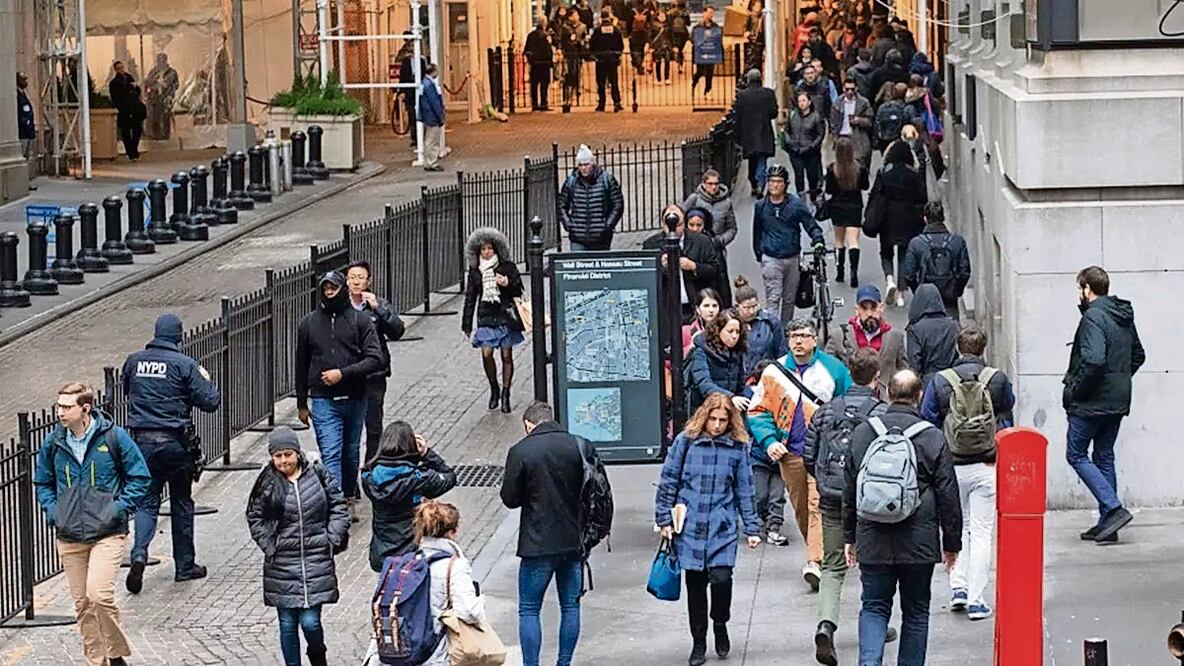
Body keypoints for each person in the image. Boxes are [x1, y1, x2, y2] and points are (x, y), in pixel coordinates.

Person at [843, 369, 962, 666]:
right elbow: (948, 495)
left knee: (874, 606)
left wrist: (850, 537)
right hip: (919, 540)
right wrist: (951, 544)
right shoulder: (932, 436)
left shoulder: (864, 433)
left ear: (887, 393)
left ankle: (869, 663)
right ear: (919, 396)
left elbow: (850, 489)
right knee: (916, 612)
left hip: (872, 534)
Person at [34, 383, 151, 666]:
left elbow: (140, 477)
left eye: (67, 407)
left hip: (107, 532)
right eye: (59, 406)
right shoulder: (53, 442)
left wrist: (118, 508)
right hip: (70, 534)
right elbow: (43, 482)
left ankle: (116, 654)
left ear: (85, 408)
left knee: (98, 595)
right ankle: (96, 661)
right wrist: (54, 511)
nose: (60, 412)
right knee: (83, 606)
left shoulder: (114, 437)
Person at [747, 318, 853, 590]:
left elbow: (849, 404)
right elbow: (758, 410)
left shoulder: (834, 369)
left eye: (804, 336)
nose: (798, 341)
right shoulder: (774, 372)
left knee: (818, 506)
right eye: (793, 335)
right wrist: (769, 441)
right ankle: (821, 552)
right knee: (801, 507)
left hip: (823, 453)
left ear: (815, 340)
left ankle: (815, 562)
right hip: (790, 453)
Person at [656, 394, 761, 666]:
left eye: (722, 420)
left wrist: (752, 527)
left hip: (721, 526)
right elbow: (669, 480)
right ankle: (699, 641)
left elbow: (745, 488)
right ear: (704, 417)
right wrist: (664, 519)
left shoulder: (737, 447)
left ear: (730, 421)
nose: (716, 425)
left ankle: (720, 622)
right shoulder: (686, 442)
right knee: (695, 586)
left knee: (722, 579)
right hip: (690, 526)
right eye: (713, 419)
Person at [122, 313, 221, 594]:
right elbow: (210, 401)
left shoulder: (134, 361)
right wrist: (206, 381)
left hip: (141, 443)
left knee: (146, 502)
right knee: (181, 501)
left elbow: (128, 392)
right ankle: (185, 566)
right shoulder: (184, 364)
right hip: (176, 443)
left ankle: (139, 554)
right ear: (179, 336)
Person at [920, 325, 1014, 620]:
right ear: (983, 348)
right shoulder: (997, 379)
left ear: (957, 348)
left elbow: (928, 419)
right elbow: (1007, 412)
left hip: (951, 467)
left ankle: (958, 587)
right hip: (986, 465)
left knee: (955, 526)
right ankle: (976, 599)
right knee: (982, 532)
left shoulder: (941, 380)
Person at [804, 348, 888, 665]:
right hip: (868, 500)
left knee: (832, 565)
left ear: (849, 374)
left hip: (832, 497)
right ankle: (876, 621)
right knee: (873, 564)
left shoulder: (827, 411)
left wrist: (824, 482)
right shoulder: (880, 413)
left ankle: (826, 624)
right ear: (876, 376)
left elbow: (809, 455)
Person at [246, 427, 350, 666]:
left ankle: (318, 657)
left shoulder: (317, 473)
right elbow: (255, 516)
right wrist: (270, 546)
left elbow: (338, 504)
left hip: (316, 560)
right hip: (282, 565)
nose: (284, 461)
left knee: (311, 622)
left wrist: (332, 537)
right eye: (278, 456)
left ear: (297, 453)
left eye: (288, 454)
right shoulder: (267, 482)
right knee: (287, 624)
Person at [1063, 266, 1145, 543]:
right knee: (1104, 455)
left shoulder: (1093, 317)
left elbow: (1094, 360)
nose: (1078, 294)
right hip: (1117, 400)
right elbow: (1138, 355)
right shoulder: (1122, 314)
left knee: (1075, 454)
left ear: (1087, 289)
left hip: (1090, 402)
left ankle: (1113, 508)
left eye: (1079, 288)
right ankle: (1108, 524)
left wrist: (1075, 390)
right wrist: (1118, 381)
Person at [500, 401, 585, 666]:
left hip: (536, 542)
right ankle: (564, 662)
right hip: (573, 540)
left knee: (529, 609)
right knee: (570, 606)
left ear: (528, 425)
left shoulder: (521, 451)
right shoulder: (579, 445)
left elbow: (510, 498)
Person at [295, 270, 385, 509]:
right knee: (330, 451)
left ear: (341, 288)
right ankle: (336, 504)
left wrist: (343, 373)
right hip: (323, 399)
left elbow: (375, 358)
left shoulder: (360, 321)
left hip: (355, 396)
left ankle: (347, 494)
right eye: (325, 288)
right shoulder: (309, 324)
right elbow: (301, 364)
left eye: (333, 288)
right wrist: (302, 403)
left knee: (350, 452)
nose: (329, 292)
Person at [361, 421, 457, 571]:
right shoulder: (419, 478)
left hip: (382, 555)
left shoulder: (369, 477)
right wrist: (426, 453)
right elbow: (449, 477)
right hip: (411, 554)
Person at [345, 261, 407, 464]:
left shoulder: (378, 304)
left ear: (369, 281)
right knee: (350, 429)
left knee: (374, 427)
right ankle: (349, 473)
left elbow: (397, 331)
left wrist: (379, 310)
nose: (356, 282)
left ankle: (370, 469)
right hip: (349, 375)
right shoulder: (341, 307)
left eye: (360, 278)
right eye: (352, 278)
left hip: (374, 375)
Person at [412, 501, 489, 665]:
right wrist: (481, 600)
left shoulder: (408, 563)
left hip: (405, 650)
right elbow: (469, 612)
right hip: (435, 654)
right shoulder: (455, 567)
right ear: (451, 533)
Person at [751, 163, 826, 325]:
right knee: (773, 297)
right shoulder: (761, 206)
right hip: (771, 257)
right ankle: (772, 332)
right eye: (772, 181)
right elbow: (757, 231)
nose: (775, 185)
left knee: (789, 299)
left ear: (785, 184)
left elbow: (810, 224)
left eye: (779, 181)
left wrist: (818, 239)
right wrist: (760, 254)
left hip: (792, 258)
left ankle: (785, 331)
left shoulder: (795, 205)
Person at [461, 227, 525, 413]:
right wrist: (466, 324)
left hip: (505, 315)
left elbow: (519, 289)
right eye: (483, 249)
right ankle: (494, 387)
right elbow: (470, 297)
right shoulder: (475, 272)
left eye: (490, 248)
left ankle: (506, 393)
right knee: (486, 354)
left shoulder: (507, 267)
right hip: (486, 316)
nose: (487, 252)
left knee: (506, 355)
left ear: (496, 249)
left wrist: (507, 283)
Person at [865, 140, 926, 308]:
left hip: (887, 217)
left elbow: (875, 194)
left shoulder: (884, 172)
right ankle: (901, 293)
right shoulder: (913, 174)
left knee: (886, 252)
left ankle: (889, 279)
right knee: (904, 254)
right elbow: (922, 196)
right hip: (908, 218)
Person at [827, 285, 908, 396]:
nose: (869, 314)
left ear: (881, 308)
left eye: (873, 308)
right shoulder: (839, 336)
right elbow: (827, 369)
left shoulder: (895, 337)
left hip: (884, 400)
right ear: (857, 310)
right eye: (864, 308)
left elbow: (903, 371)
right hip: (849, 399)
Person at [902, 202, 971, 319]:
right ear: (943, 218)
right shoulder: (957, 242)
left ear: (925, 219)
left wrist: (919, 292)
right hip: (950, 300)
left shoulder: (916, 243)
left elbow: (909, 275)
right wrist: (956, 291)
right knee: (951, 328)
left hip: (925, 302)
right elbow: (965, 272)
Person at [682, 169, 737, 304]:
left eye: (716, 184)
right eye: (710, 184)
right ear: (703, 184)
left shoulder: (726, 203)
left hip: (716, 248)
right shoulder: (694, 199)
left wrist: (720, 240)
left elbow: (732, 228)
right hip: (694, 248)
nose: (713, 187)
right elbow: (682, 218)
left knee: (719, 281)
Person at [559, 145, 625, 251]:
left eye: (586, 164)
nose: (583, 168)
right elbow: (562, 205)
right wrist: (569, 224)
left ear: (592, 164)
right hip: (578, 237)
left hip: (601, 237)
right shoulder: (571, 182)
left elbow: (617, 204)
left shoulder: (606, 180)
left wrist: (607, 225)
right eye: (580, 165)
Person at [824, 137, 869, 288]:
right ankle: (854, 272)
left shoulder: (832, 169)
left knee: (839, 240)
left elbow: (829, 190)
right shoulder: (859, 168)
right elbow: (865, 186)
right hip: (854, 206)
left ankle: (840, 271)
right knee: (853, 241)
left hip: (837, 207)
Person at [685, 309, 749, 415]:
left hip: (730, 410)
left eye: (737, 332)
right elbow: (704, 383)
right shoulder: (701, 352)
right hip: (704, 410)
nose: (734, 336)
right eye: (730, 331)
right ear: (718, 330)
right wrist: (731, 397)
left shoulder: (738, 353)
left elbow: (741, 385)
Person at [732, 69, 779, 197]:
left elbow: (738, 116)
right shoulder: (768, 93)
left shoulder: (742, 95)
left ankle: (754, 182)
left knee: (752, 161)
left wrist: (737, 136)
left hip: (748, 133)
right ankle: (760, 183)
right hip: (764, 131)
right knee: (762, 161)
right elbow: (774, 113)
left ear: (748, 80)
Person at [906, 283, 959, 388]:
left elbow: (915, 363)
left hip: (928, 382)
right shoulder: (953, 325)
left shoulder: (915, 329)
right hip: (951, 380)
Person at [732, 275, 787, 375]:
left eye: (754, 306)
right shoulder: (729, 322)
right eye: (747, 308)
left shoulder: (770, 321)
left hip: (765, 374)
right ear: (737, 306)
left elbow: (781, 351)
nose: (752, 311)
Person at [783, 89, 826, 204]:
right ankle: (801, 200)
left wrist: (812, 146)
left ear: (809, 102)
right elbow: (787, 130)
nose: (801, 103)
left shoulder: (816, 116)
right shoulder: (793, 115)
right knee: (799, 176)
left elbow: (820, 134)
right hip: (795, 151)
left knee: (812, 177)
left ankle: (813, 198)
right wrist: (789, 141)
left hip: (811, 153)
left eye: (803, 100)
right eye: (799, 101)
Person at [829, 77, 874, 170]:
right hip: (842, 137)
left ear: (856, 88)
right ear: (843, 89)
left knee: (859, 165)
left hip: (858, 138)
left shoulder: (863, 103)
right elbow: (833, 122)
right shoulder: (837, 103)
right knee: (842, 166)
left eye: (852, 89)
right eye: (847, 89)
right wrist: (835, 137)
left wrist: (859, 120)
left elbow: (870, 122)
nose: (850, 92)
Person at [108, 61, 145, 161]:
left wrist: (135, 89)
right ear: (116, 70)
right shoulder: (114, 83)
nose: (121, 70)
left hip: (134, 108)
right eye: (119, 68)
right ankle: (131, 152)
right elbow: (116, 98)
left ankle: (133, 149)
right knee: (126, 132)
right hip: (124, 110)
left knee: (138, 129)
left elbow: (137, 91)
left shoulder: (129, 78)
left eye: (122, 67)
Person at [589, 11, 624, 112]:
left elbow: (592, 44)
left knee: (601, 82)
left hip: (601, 59)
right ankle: (617, 102)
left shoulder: (597, 30)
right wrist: (616, 55)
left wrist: (596, 55)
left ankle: (601, 103)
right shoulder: (616, 30)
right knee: (614, 82)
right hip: (613, 59)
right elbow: (620, 45)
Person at [873, 83, 917, 153]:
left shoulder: (882, 107)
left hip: (884, 142)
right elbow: (915, 124)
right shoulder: (908, 108)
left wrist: (877, 138)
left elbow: (877, 124)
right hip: (902, 142)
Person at [418, 63, 446, 171]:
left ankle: (428, 161)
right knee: (433, 140)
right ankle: (431, 162)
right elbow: (434, 102)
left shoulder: (424, 83)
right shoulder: (429, 85)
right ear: (433, 71)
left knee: (429, 139)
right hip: (432, 116)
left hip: (427, 115)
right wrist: (440, 116)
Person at [144, 53, 178, 140]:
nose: (160, 62)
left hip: (166, 98)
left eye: (162, 60)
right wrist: (154, 85)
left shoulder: (172, 72)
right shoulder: (153, 72)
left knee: (165, 117)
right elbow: (148, 82)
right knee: (155, 116)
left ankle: (165, 135)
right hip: (154, 98)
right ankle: (156, 135)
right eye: (159, 60)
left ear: (165, 61)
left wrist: (170, 92)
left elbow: (174, 84)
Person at [691, 6, 723, 97]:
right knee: (700, 72)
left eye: (712, 13)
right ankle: (693, 84)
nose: (711, 15)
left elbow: (718, 39)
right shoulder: (697, 26)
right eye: (709, 13)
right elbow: (692, 38)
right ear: (704, 13)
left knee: (710, 72)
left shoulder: (716, 26)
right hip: (700, 53)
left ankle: (707, 90)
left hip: (711, 52)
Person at [559, 10, 588, 108]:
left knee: (577, 74)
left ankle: (577, 94)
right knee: (567, 75)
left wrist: (583, 43)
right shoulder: (565, 27)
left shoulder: (582, 26)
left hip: (578, 54)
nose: (576, 17)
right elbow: (562, 40)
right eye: (574, 15)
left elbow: (585, 39)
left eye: (577, 15)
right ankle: (567, 97)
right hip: (568, 54)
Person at [525, 18, 555, 111]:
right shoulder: (545, 36)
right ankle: (543, 103)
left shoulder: (531, 35)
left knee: (534, 84)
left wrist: (530, 59)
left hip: (534, 63)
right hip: (544, 63)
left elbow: (527, 49)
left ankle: (534, 104)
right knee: (544, 84)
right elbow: (548, 51)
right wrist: (550, 62)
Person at [795, 64, 838, 128]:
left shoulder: (824, 88)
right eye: (807, 74)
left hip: (821, 122)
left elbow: (829, 106)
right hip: (804, 124)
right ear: (804, 75)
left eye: (811, 73)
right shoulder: (799, 89)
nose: (810, 75)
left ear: (815, 73)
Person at [683, 288, 721, 353]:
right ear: (697, 309)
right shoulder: (686, 331)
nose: (711, 310)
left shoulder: (725, 331)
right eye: (706, 306)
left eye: (714, 306)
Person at [667, 0, 691, 73]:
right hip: (683, 33)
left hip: (673, 32)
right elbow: (688, 23)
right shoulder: (685, 13)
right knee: (680, 49)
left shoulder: (671, 12)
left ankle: (677, 60)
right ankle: (680, 65)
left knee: (676, 48)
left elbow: (668, 23)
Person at [651, 10, 673, 84]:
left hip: (667, 45)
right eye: (661, 16)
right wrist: (651, 46)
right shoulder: (653, 25)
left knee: (667, 61)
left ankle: (667, 78)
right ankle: (658, 79)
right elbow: (651, 36)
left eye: (664, 16)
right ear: (657, 17)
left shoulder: (668, 25)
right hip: (657, 46)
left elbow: (671, 36)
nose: (662, 17)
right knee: (658, 62)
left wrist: (673, 45)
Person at [16, 72, 34, 159]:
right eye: (23, 80)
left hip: (28, 131)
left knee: (27, 156)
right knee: (22, 154)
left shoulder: (23, 93)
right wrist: (24, 121)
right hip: (22, 131)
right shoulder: (17, 95)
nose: (25, 82)